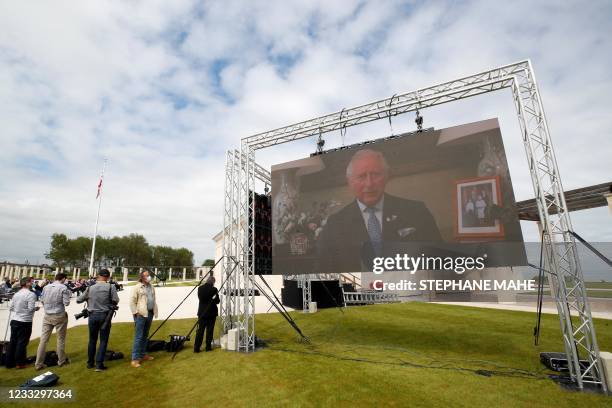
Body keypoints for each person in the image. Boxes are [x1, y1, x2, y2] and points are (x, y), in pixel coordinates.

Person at [317, 149, 442, 272]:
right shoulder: (334, 225)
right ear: (350, 182)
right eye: (361, 176)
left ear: (387, 176)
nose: (369, 183)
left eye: (376, 174)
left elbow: (440, 262)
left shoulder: (416, 211)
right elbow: (325, 276)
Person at [77, 269, 119, 372]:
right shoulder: (111, 286)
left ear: (98, 276)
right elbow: (116, 300)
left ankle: (90, 363)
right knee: (103, 340)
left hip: (92, 315)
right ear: (108, 277)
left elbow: (79, 300)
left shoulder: (90, 287)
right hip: (105, 316)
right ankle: (99, 364)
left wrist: (88, 297)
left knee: (92, 340)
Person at [34, 273, 71, 370]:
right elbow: (66, 303)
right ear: (63, 279)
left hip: (47, 315)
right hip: (59, 315)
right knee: (60, 339)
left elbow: (41, 299)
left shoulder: (46, 287)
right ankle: (61, 360)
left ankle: (38, 363)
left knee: (43, 340)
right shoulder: (63, 287)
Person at [6, 277, 39, 368]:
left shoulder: (16, 294)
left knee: (13, 342)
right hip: (25, 321)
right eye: (31, 282)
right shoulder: (31, 294)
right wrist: (36, 308)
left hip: (15, 320)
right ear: (27, 283)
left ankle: (9, 362)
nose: (33, 284)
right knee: (22, 342)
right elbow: (31, 308)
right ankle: (20, 363)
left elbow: (11, 308)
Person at [129, 270, 158, 368]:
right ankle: (135, 358)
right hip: (140, 314)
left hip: (149, 313)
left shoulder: (151, 286)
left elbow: (153, 299)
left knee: (145, 335)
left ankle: (143, 354)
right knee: (139, 336)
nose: (149, 277)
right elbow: (132, 301)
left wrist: (154, 310)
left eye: (149, 275)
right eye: (146, 275)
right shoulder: (137, 287)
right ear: (142, 277)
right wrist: (135, 313)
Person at [194, 276, 219, 353]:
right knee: (209, 331)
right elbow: (217, 301)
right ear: (213, 282)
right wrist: (213, 298)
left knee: (200, 331)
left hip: (202, 313)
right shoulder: (214, 289)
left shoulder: (200, 288)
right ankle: (208, 347)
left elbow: (200, 298)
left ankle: (196, 348)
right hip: (211, 313)